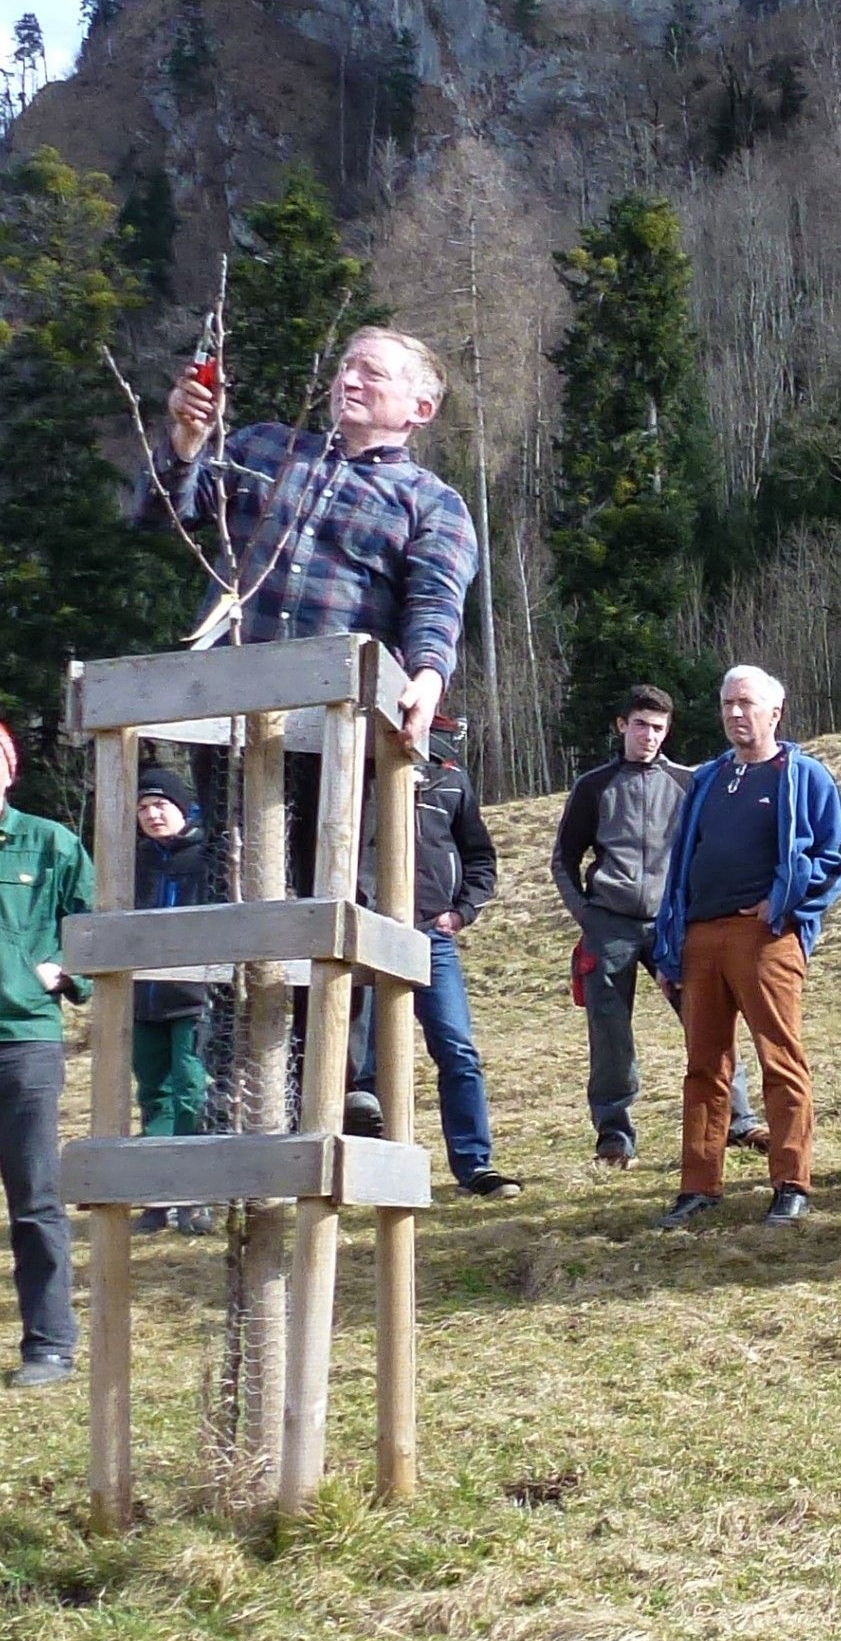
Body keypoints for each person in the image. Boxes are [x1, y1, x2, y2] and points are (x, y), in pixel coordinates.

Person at [145, 326, 481, 1136]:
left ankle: (337, 1079)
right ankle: (242, 1085)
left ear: (420, 408)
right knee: (238, 891)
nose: (350, 379)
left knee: (330, 893)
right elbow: (164, 515)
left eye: (373, 371)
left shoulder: (430, 502)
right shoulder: (266, 449)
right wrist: (185, 444)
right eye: (345, 366)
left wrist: (427, 677)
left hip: (341, 729)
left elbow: (436, 603)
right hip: (234, 718)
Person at [650, 667, 841, 1231]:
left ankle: (791, 1183)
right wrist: (671, 945)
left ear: (775, 712)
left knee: (779, 1059)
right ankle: (699, 1186)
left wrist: (784, 903)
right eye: (727, 704)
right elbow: (681, 865)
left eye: (746, 703)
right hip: (700, 937)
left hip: (764, 940)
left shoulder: (803, 775)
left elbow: (838, 856)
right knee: (704, 1066)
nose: (735, 714)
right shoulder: (708, 779)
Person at [554, 683, 761, 1171]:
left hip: (674, 925)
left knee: (707, 1020)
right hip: (609, 925)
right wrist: (585, 913)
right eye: (641, 725)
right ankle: (614, 1135)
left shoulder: (688, 783)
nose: (649, 736)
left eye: (658, 728)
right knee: (610, 1034)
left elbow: (709, 849)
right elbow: (564, 858)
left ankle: (740, 1120)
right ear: (622, 726)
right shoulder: (594, 786)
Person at [378, 722, 521, 1200]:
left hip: (431, 937)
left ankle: (475, 1165)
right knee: (361, 1060)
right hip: (365, 932)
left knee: (458, 1051)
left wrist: (461, 912)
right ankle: (365, 1168)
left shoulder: (451, 780)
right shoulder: (356, 772)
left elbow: (480, 857)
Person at [0, 721, 91, 1388]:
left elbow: (92, 922)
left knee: (34, 1196)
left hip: (23, 1040)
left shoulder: (50, 841)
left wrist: (65, 971)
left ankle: (50, 1345)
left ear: (10, 769)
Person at [130, 769, 216, 1234]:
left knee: (190, 1092)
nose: (152, 815)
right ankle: (156, 1197)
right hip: (144, 1000)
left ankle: (194, 1195)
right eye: (143, 808)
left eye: (160, 805)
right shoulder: (134, 860)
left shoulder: (210, 856)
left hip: (193, 997)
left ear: (183, 808)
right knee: (152, 1095)